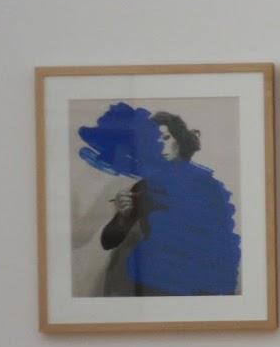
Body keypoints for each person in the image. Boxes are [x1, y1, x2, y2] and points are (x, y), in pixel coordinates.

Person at [92, 108, 240, 296]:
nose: (159, 145)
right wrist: (122, 217)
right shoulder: (145, 187)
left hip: (201, 285)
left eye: (165, 137)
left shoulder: (209, 186)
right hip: (155, 283)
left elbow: (224, 244)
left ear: (180, 139)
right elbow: (107, 242)